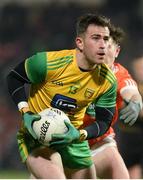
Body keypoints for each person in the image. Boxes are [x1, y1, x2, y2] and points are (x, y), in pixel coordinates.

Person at [6, 13, 117, 179]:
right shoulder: (47, 63)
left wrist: (80, 134)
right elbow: (14, 77)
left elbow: (104, 121)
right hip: (37, 136)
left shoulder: (107, 80)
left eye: (106, 39)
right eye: (96, 38)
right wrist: (26, 112)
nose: (103, 45)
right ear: (80, 43)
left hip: (72, 138)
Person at [82, 25, 143, 179]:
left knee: (119, 170)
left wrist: (135, 102)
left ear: (116, 51)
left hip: (100, 141)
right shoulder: (76, 69)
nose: (103, 48)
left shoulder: (118, 74)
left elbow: (131, 91)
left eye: (108, 46)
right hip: (68, 140)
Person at [118, 55, 143, 179]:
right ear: (134, 69)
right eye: (141, 68)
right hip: (129, 137)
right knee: (132, 171)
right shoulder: (129, 86)